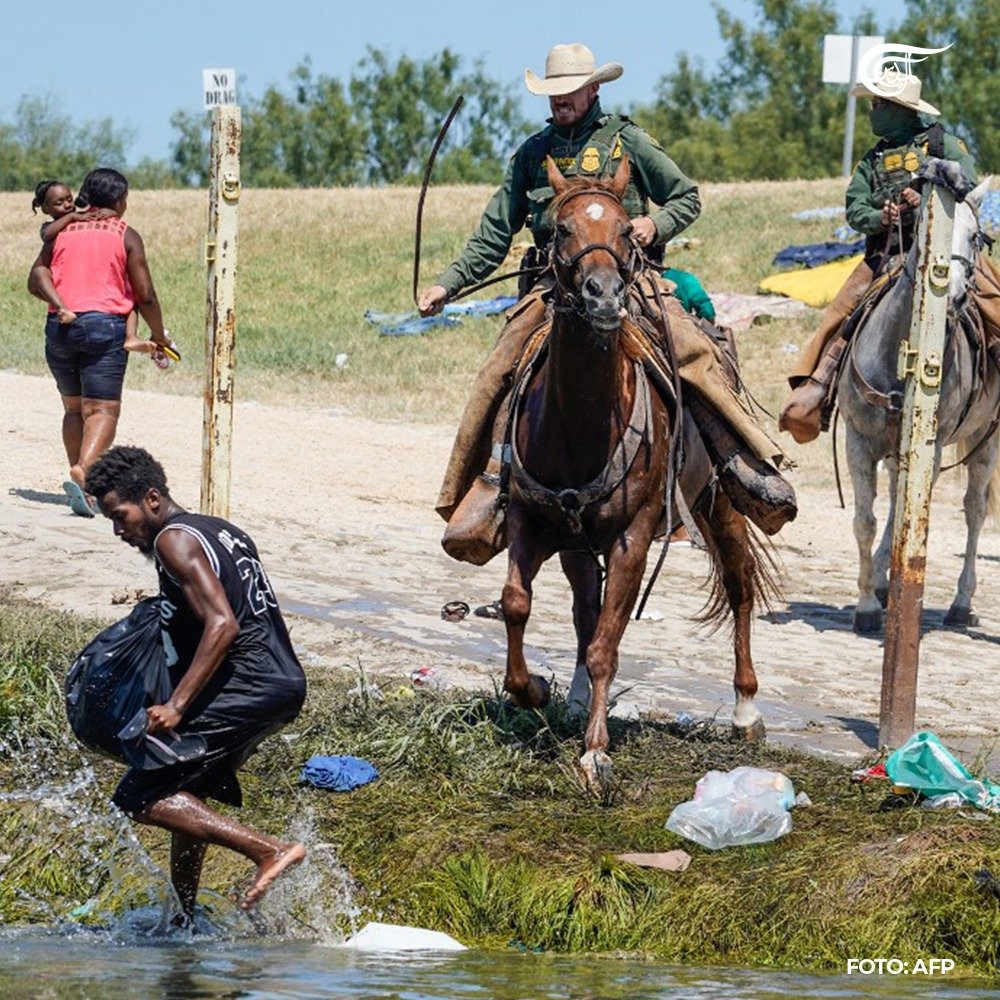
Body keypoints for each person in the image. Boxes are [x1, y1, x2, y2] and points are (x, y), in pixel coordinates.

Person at [419, 42, 791, 562]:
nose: (561, 100)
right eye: (553, 92)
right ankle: (484, 486)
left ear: (594, 89)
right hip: (554, 289)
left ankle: (741, 463)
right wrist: (448, 284)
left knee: (692, 352)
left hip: (629, 281)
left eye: (570, 90)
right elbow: (493, 234)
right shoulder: (532, 154)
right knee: (498, 367)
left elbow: (686, 196)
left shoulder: (627, 141)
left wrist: (653, 223)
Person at [85, 446, 308, 921]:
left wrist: (178, 705)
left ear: (152, 499)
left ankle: (269, 850)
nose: (119, 531)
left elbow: (223, 624)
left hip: (249, 684)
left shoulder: (173, 541)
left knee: (137, 795)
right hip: (282, 680)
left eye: (120, 517)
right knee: (189, 785)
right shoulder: (222, 531)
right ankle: (182, 917)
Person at [779, 68, 1000, 444]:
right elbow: (855, 209)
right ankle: (818, 387)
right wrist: (881, 217)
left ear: (901, 109)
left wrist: (927, 191)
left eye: (878, 104)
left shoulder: (944, 143)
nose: (872, 112)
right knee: (839, 313)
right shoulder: (871, 160)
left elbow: (968, 186)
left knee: (993, 302)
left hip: (949, 249)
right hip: (887, 254)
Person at [27, 168, 174, 517]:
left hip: (60, 327)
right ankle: (84, 471)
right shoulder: (125, 234)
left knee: (73, 409)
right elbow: (145, 295)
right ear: (120, 201)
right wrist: (157, 334)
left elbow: (35, 280)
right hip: (104, 328)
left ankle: (81, 486)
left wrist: (62, 304)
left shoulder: (62, 231)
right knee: (103, 410)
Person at [31, 179, 160, 357]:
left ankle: (131, 336)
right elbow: (46, 234)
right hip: (104, 322)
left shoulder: (72, 224)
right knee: (129, 294)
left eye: (69, 199)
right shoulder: (53, 229)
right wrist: (73, 217)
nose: (67, 205)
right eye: (59, 203)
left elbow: (33, 287)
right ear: (45, 209)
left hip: (63, 330)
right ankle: (63, 307)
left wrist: (109, 213)